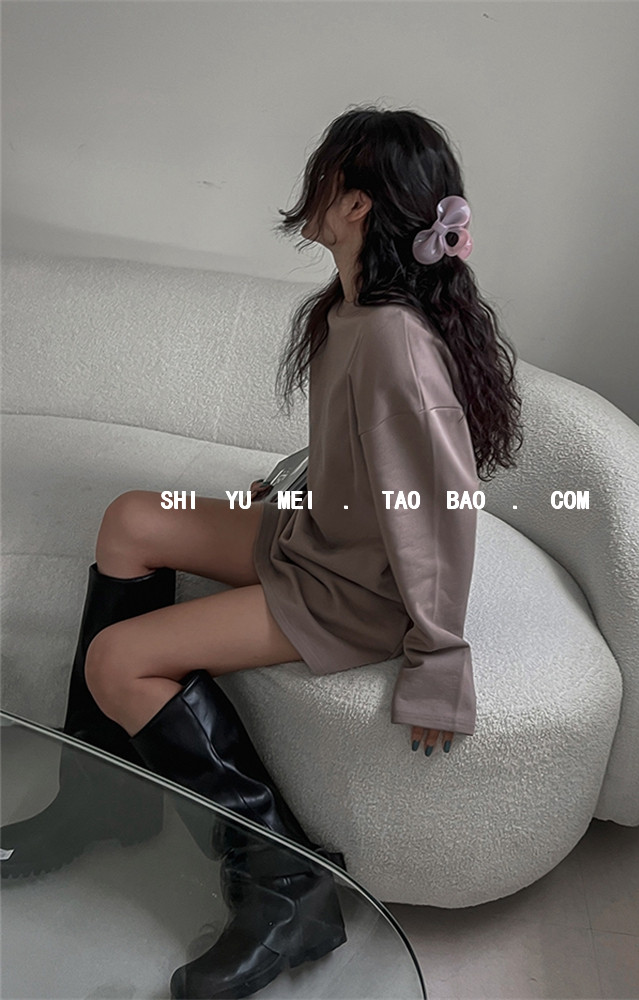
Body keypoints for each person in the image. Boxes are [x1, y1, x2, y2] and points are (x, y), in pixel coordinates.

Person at [0, 104, 523, 998]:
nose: (310, 189)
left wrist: (439, 654)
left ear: (356, 205)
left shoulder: (394, 340)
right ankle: (104, 797)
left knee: (117, 661)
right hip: (316, 533)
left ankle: (287, 885)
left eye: (326, 175)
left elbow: (439, 507)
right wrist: (291, 493)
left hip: (353, 588)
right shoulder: (351, 308)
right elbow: (357, 452)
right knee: (132, 518)